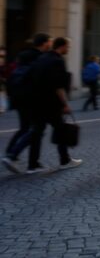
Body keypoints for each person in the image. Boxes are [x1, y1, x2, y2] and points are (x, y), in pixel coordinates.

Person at [27, 37, 81, 173]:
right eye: (67, 47)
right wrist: (65, 104)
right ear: (62, 46)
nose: (68, 49)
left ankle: (32, 165)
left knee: (37, 133)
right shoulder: (58, 61)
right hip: (52, 103)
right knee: (60, 130)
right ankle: (65, 160)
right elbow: (59, 86)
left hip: (36, 101)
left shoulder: (41, 58)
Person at [3, 33, 52, 174]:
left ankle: (10, 153)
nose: (50, 44)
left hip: (18, 98)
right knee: (37, 129)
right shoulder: (41, 58)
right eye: (49, 42)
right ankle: (21, 159)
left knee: (25, 128)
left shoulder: (23, 55)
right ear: (44, 43)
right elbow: (41, 80)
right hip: (33, 98)